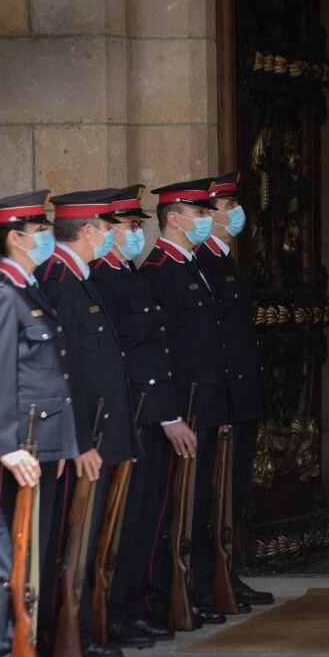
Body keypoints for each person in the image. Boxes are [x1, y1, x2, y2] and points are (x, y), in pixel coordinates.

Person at [0, 190, 79, 657]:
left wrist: (59, 446)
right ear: (15, 237)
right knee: (5, 553)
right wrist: (8, 447)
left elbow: (50, 377)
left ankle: (23, 646)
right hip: (17, 448)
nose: (49, 237)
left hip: (41, 444)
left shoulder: (29, 291)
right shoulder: (0, 296)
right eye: (41, 230)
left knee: (32, 554)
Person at [38, 189, 143, 657]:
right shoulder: (59, 280)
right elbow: (63, 372)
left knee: (91, 540)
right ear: (87, 231)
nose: (112, 234)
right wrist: (78, 440)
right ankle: (62, 633)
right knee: (69, 540)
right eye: (106, 226)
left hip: (102, 432)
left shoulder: (82, 278)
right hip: (84, 437)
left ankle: (81, 628)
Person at [88, 184, 198, 643]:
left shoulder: (128, 273)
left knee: (146, 514)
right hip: (131, 413)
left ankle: (132, 603)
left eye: (137, 225)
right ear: (103, 230)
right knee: (123, 517)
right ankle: (111, 610)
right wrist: (164, 412)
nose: (137, 233)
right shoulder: (99, 277)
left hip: (150, 412)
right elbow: (123, 355)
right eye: (130, 226)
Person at [140, 178, 248, 625]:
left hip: (206, 405)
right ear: (175, 218)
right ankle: (172, 592)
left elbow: (213, 344)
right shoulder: (160, 270)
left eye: (209, 212)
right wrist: (173, 412)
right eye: (201, 214)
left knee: (202, 503)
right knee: (175, 507)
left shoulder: (194, 268)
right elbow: (164, 349)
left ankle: (197, 587)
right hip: (184, 407)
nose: (209, 221)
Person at [201, 170, 274, 606]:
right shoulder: (204, 264)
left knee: (235, 494)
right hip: (221, 401)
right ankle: (213, 579)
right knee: (216, 497)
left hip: (241, 396)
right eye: (228, 207)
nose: (236, 213)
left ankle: (229, 574)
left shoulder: (224, 261)